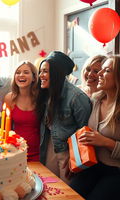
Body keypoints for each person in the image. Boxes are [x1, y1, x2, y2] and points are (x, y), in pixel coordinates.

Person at [36, 51, 92, 183]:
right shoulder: (46, 93)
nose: (40, 75)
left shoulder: (77, 97)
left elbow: (85, 131)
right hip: (50, 148)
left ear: (56, 73)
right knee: (50, 189)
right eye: (40, 71)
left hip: (69, 154)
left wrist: (73, 157)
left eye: (45, 71)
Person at [70, 55, 120, 199]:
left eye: (107, 70)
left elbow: (99, 140)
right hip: (92, 166)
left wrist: (105, 142)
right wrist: (75, 160)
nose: (99, 74)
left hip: (115, 171)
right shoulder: (95, 100)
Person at [4, 61, 40, 161]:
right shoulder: (9, 98)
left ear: (34, 77)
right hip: (16, 151)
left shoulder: (41, 98)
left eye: (26, 72)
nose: (21, 75)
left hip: (39, 152)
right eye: (18, 72)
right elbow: (6, 128)